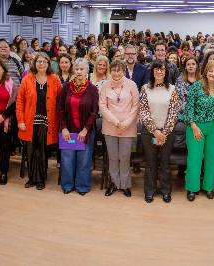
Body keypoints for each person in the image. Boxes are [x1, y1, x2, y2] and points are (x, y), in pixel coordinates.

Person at [16, 53, 62, 190]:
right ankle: (31, 178)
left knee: (42, 152)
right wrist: (20, 120)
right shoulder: (27, 79)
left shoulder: (54, 80)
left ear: (48, 64)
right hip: (29, 122)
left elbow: (60, 102)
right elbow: (19, 101)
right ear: (34, 63)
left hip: (46, 122)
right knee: (30, 151)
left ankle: (41, 179)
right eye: (38, 61)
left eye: (44, 62)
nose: (41, 64)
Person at [139, 60, 180, 203]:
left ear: (166, 72)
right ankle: (149, 190)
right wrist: (155, 131)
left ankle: (165, 191)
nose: (159, 72)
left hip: (167, 133)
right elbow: (143, 111)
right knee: (150, 163)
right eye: (156, 69)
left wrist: (165, 132)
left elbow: (174, 112)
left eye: (162, 69)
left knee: (165, 163)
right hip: (149, 132)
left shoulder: (173, 89)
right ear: (152, 72)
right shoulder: (145, 88)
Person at [57, 58, 99, 195]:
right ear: (73, 70)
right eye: (77, 69)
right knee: (67, 160)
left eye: (82, 69)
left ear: (87, 71)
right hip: (68, 131)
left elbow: (94, 112)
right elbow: (60, 108)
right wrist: (63, 128)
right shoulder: (66, 87)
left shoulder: (92, 89)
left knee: (84, 160)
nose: (79, 71)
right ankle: (68, 185)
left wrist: (85, 129)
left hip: (84, 132)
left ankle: (82, 186)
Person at [99, 60, 139, 198]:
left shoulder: (132, 85)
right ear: (110, 71)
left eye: (119, 70)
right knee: (113, 157)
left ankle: (125, 185)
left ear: (124, 71)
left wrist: (126, 123)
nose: (116, 73)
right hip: (110, 126)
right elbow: (102, 106)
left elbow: (136, 106)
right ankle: (114, 184)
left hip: (128, 127)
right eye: (114, 70)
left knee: (125, 157)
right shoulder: (105, 85)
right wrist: (116, 122)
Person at [183, 60, 214, 201]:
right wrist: (193, 125)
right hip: (196, 126)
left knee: (212, 158)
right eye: (211, 71)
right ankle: (192, 188)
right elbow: (188, 108)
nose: (213, 74)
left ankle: (208, 187)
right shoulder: (196, 86)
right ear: (206, 72)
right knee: (195, 158)